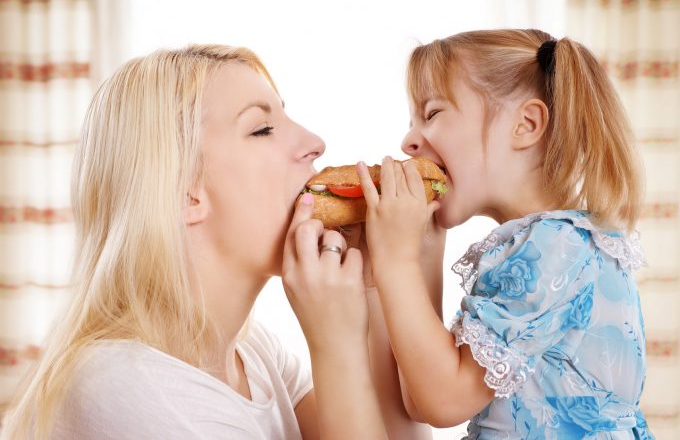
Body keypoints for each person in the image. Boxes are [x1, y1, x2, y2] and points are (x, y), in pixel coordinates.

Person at [0, 44, 396, 440]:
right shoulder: (133, 388)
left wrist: (382, 278)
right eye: (262, 129)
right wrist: (336, 345)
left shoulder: (254, 355)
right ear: (185, 193)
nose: (315, 142)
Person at [356, 29, 654, 439]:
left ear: (525, 125)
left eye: (433, 113)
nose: (409, 140)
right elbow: (420, 399)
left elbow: (442, 401)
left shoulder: (553, 249)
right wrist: (421, 251)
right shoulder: (550, 243)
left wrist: (396, 260)